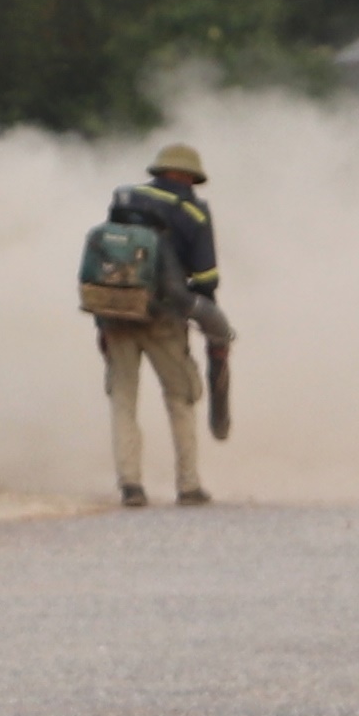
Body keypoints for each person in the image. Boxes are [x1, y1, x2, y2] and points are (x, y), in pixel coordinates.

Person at [100, 139, 233, 509]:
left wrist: (101, 325)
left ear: (160, 171)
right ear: (190, 177)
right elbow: (206, 280)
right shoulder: (194, 213)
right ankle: (188, 485)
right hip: (165, 320)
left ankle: (130, 486)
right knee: (181, 397)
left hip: (117, 315)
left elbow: (108, 266)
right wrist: (209, 323)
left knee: (123, 400)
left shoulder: (125, 201)